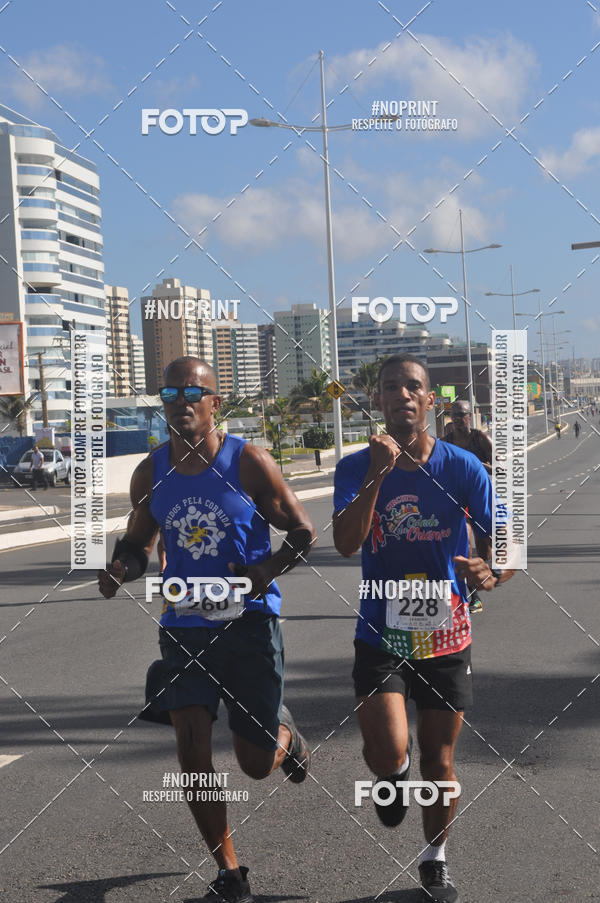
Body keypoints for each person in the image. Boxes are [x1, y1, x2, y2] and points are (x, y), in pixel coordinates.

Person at [98, 356, 316, 903]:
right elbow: (139, 542)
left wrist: (265, 570)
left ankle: (283, 737)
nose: (181, 402)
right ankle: (229, 872)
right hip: (184, 626)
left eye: (193, 392)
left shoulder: (250, 463)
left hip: (249, 625)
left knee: (254, 763)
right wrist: (120, 567)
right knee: (191, 749)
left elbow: (303, 530)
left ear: (215, 402)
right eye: (170, 393)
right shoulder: (151, 472)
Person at [333, 354, 513, 903]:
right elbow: (346, 543)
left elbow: (502, 539)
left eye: (414, 387)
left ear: (429, 400)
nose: (403, 395)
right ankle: (392, 774)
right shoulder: (355, 467)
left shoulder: (462, 468)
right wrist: (376, 474)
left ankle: (435, 858)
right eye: (391, 387)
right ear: (379, 401)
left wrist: (492, 569)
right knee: (388, 753)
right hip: (380, 631)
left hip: (446, 634)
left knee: (441, 760)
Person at [442, 401, 492, 615]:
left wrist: (477, 465)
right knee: (463, 540)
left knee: (485, 547)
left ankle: (477, 579)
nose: (458, 419)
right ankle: (472, 593)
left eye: (462, 415)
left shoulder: (480, 439)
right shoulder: (446, 442)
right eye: (454, 415)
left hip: (479, 495)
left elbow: (501, 468)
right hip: (456, 499)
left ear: (470, 416)